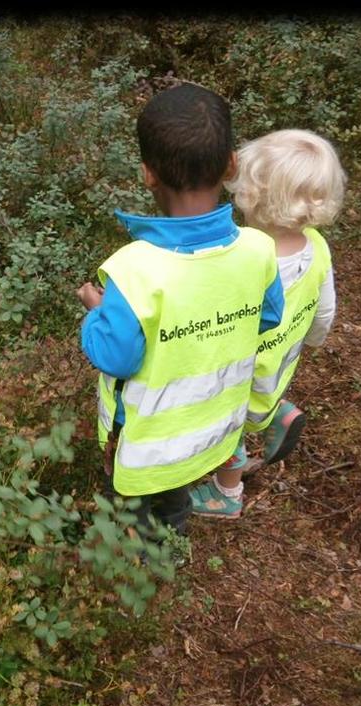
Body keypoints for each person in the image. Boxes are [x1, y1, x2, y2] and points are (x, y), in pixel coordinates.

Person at [76, 82, 285, 538]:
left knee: (141, 505)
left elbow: (115, 356)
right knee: (173, 507)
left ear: (148, 174)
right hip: (215, 432)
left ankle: (140, 556)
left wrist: (96, 312)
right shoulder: (259, 250)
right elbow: (266, 318)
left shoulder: (133, 270)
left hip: (148, 448)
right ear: (231, 164)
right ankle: (172, 536)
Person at [189, 128, 344, 517]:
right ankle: (276, 412)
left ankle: (227, 494)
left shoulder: (243, 255)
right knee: (264, 394)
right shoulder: (318, 247)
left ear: (253, 193)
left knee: (230, 434)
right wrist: (311, 342)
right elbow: (324, 312)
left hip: (239, 375)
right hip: (281, 359)